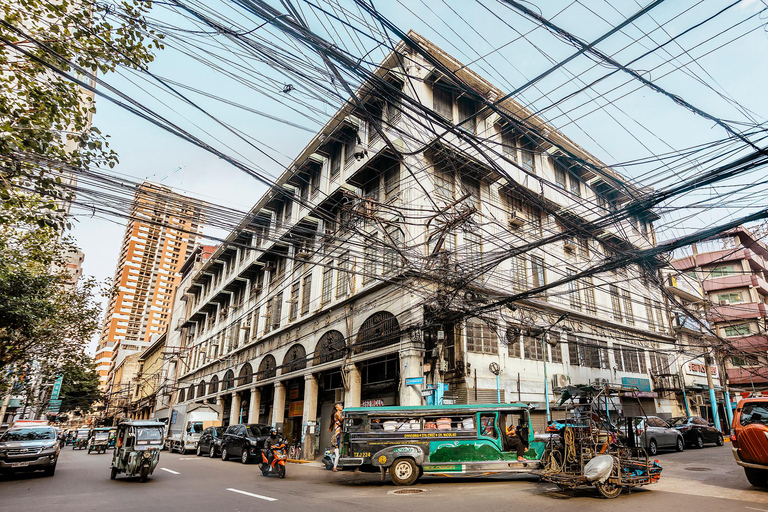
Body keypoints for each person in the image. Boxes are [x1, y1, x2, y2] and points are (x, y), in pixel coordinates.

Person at [329, 403, 343, 471]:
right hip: (338, 433)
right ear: (337, 408)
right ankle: (335, 467)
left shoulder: (339, 413)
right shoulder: (337, 414)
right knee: (338, 452)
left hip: (340, 433)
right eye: (339, 406)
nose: (341, 406)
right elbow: (342, 420)